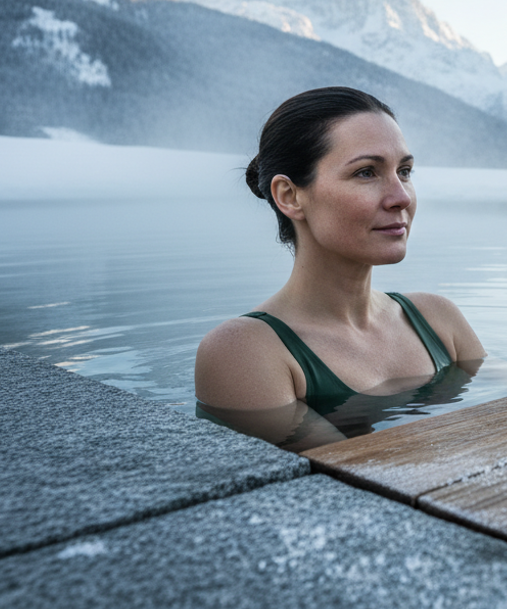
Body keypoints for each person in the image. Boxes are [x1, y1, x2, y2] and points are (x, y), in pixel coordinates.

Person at [194, 87, 485, 449]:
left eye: (405, 171)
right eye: (366, 173)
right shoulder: (246, 350)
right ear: (290, 196)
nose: (402, 197)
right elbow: (355, 482)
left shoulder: (438, 318)